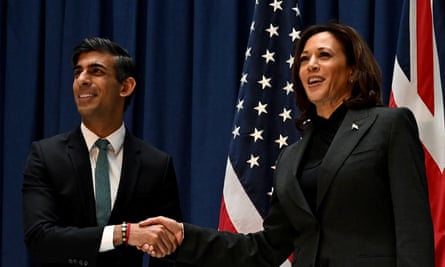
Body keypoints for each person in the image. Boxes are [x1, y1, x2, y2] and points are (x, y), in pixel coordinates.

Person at [139, 23, 435, 267]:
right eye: (304, 59)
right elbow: (264, 249)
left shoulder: (388, 125)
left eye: (324, 55)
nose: (311, 65)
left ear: (353, 71)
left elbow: (414, 230)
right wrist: (183, 237)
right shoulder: (291, 158)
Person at [22, 37, 183, 267]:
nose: (82, 80)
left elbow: (169, 251)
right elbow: (40, 239)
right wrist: (123, 234)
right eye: (78, 72)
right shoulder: (45, 156)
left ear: (126, 87)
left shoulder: (156, 164)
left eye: (95, 71)